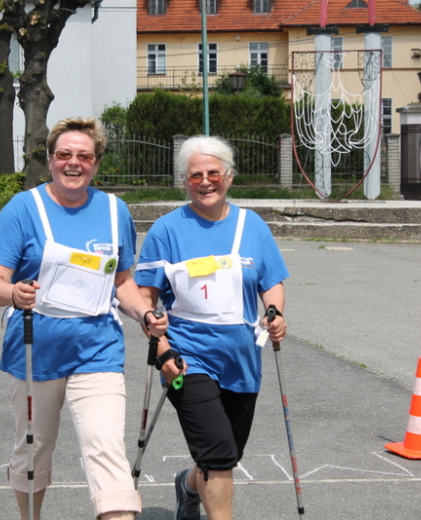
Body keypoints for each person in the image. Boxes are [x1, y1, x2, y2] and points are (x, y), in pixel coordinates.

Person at [0, 117, 168, 520]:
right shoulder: (23, 209)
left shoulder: (115, 211)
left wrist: (145, 313)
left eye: (84, 156)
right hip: (35, 350)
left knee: (106, 448)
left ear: (97, 163)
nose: (73, 163)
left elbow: (123, 282)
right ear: (50, 160)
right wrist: (14, 293)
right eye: (64, 155)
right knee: (33, 447)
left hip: (97, 348)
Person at [134, 136, 289, 520]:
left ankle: (187, 484)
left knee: (224, 456)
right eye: (195, 175)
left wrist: (274, 311)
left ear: (229, 177)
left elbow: (271, 281)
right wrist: (160, 340)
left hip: (241, 361)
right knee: (218, 454)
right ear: (184, 181)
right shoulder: (166, 230)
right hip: (186, 359)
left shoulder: (251, 225)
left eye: (213, 173)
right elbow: (144, 298)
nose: (205, 182)